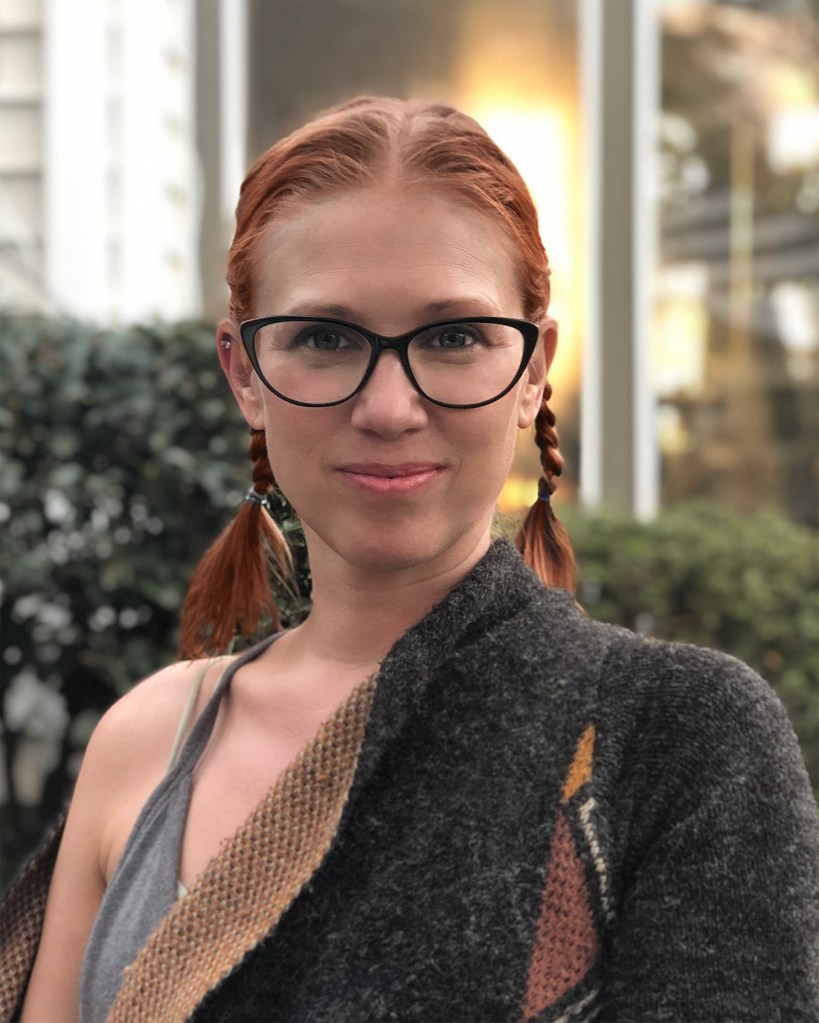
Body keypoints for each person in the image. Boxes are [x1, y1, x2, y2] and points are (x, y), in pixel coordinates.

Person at [3, 96, 817, 1023]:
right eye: (324, 338)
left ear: (532, 370)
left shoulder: (676, 739)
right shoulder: (146, 742)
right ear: (243, 374)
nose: (389, 408)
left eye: (453, 336)